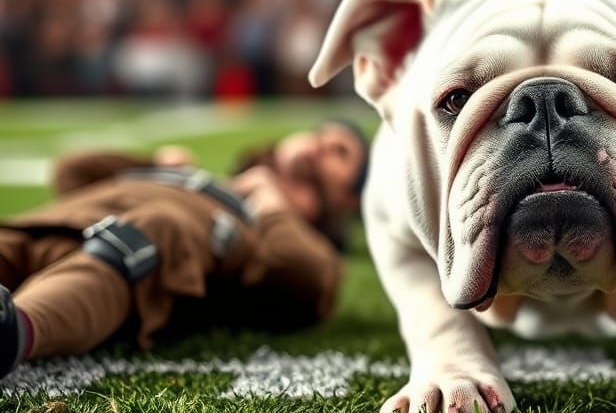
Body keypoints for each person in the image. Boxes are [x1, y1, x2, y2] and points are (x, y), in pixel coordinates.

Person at [0, 118, 369, 379]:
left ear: (348, 200)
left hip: (119, 272)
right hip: (48, 230)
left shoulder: (297, 240)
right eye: (318, 135)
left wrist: (273, 208)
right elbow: (73, 170)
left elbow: (303, 275)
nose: (317, 146)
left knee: (160, 226)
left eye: (338, 151)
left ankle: (14, 330)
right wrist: (154, 165)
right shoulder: (201, 178)